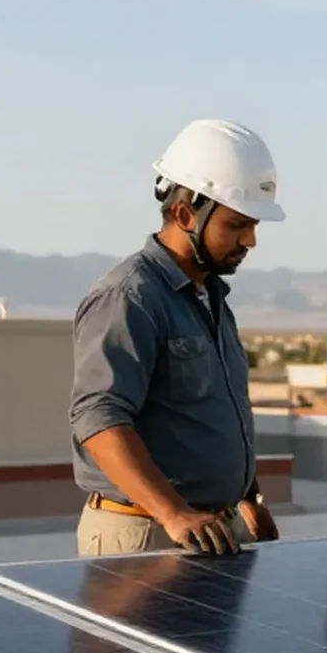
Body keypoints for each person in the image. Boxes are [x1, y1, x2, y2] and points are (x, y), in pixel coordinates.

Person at [70, 119, 286, 558]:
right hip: (149, 534)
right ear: (186, 213)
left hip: (211, 529)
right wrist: (172, 513)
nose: (252, 240)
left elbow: (213, 413)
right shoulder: (130, 297)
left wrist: (249, 497)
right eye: (237, 224)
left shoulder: (210, 298)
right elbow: (98, 418)